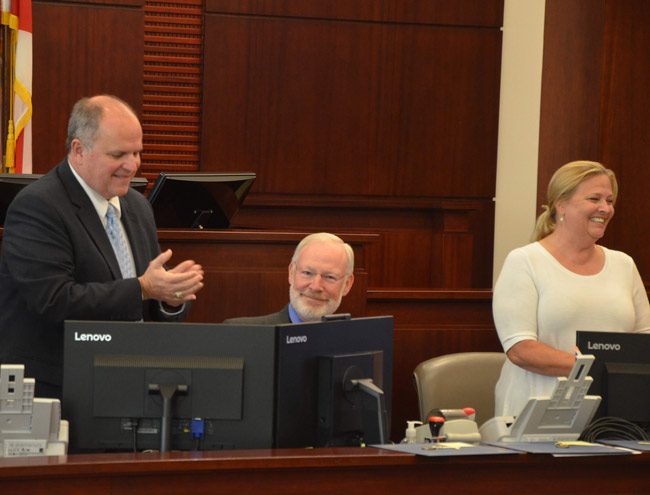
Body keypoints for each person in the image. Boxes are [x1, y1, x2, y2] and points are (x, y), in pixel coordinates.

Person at [0, 94, 204, 399]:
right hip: (57, 389)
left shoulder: (137, 206)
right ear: (79, 150)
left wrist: (170, 298)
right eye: (119, 154)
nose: (132, 165)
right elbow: (54, 300)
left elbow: (145, 294)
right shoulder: (38, 206)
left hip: (126, 378)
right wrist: (144, 289)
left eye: (137, 153)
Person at [492, 160, 650, 417]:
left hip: (615, 415)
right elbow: (521, 350)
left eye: (609, 200)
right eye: (594, 198)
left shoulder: (624, 264)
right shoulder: (525, 261)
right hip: (537, 415)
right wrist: (599, 369)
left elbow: (645, 339)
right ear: (561, 204)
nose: (605, 208)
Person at [224, 232, 354, 324]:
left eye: (329, 277)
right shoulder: (241, 334)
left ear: (347, 284)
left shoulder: (362, 343)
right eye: (307, 273)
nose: (315, 286)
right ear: (291, 273)